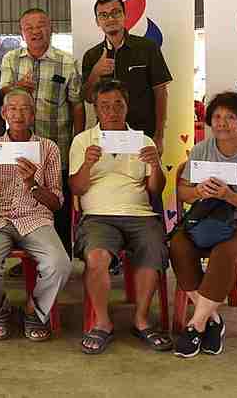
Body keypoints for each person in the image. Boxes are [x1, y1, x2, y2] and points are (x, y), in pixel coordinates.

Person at [170, 92, 237, 358]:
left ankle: (195, 325)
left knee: (225, 253)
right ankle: (213, 319)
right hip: (206, 217)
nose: (222, 123)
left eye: (230, 117)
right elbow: (183, 192)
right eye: (217, 117)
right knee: (179, 245)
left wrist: (231, 196)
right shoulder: (201, 149)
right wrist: (198, 192)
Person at [70, 80, 171, 354]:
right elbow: (76, 189)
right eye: (105, 106)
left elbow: (156, 190)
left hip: (139, 214)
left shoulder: (143, 140)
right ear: (96, 110)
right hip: (98, 216)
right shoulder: (82, 141)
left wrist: (154, 165)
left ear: (127, 107)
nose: (112, 111)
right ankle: (103, 322)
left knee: (153, 246)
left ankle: (141, 319)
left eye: (118, 105)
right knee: (97, 257)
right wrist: (88, 164)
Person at [0, 89, 71, 342]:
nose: (18, 114)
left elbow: (57, 202)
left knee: (60, 264)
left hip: (35, 219)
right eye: (12, 108)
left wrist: (32, 185)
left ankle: (34, 310)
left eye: (25, 108)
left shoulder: (48, 148)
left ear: (33, 114)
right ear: (4, 113)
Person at [0, 7, 84, 255]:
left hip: (57, 145)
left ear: (51, 28)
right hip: (19, 147)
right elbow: (3, 92)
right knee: (23, 201)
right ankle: (26, 258)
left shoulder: (68, 62)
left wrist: (77, 145)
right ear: (21, 32)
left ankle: (60, 258)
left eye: (41, 25)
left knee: (58, 204)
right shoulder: (11, 59)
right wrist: (17, 87)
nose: (35, 31)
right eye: (29, 27)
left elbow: (77, 105)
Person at [81, 0, 172, 153]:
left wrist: (159, 136)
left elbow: (161, 93)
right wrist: (96, 72)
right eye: (103, 15)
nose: (110, 19)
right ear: (97, 21)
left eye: (115, 12)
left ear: (124, 15)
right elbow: (89, 98)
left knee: (146, 177)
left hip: (143, 133)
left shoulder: (147, 48)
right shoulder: (92, 55)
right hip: (106, 136)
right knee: (111, 177)